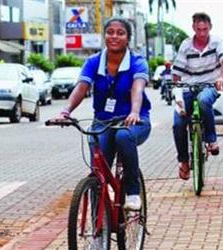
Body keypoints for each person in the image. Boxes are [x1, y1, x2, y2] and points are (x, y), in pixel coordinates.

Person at [52, 17, 152, 211]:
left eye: (120, 33)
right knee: (98, 174)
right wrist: (65, 111)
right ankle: (99, 233)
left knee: (123, 137)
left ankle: (132, 192)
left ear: (128, 38)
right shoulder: (93, 61)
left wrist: (134, 111)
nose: (114, 36)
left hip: (133, 121)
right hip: (103, 122)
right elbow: (81, 88)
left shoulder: (137, 62)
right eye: (110, 32)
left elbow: (137, 88)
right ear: (104, 35)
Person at [171, 12, 223, 180]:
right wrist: (178, 96)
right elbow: (176, 74)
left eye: (205, 29)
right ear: (193, 28)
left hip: (211, 85)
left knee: (204, 100)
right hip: (188, 86)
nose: (202, 33)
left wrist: (222, 77)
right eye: (198, 29)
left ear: (210, 27)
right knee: (178, 123)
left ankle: (211, 139)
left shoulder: (217, 42)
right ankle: (183, 161)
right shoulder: (185, 45)